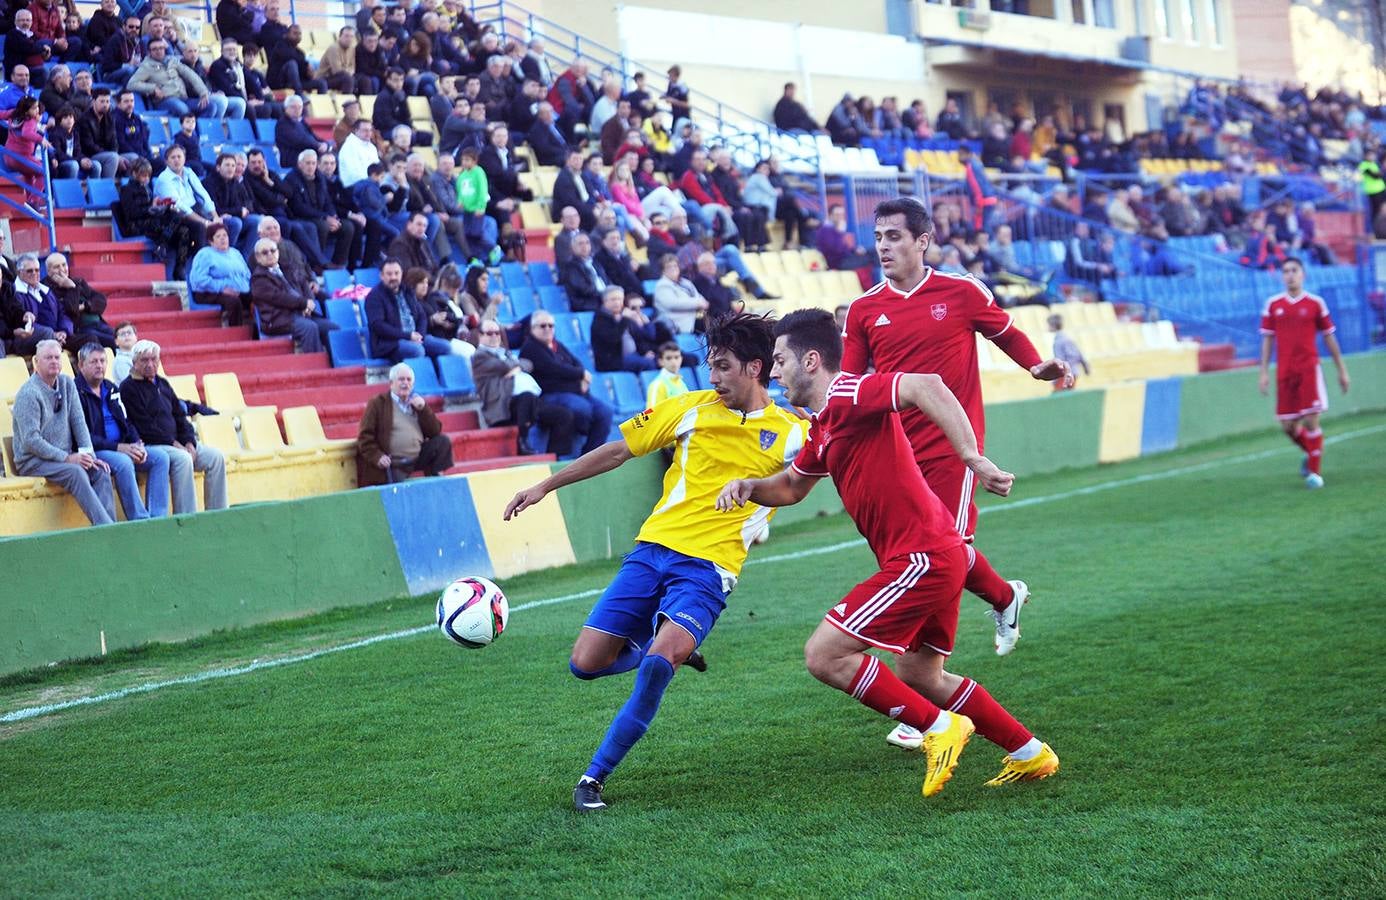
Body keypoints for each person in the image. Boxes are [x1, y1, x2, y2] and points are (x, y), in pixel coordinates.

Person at [717, 308, 1060, 797]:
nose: (773, 372)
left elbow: (927, 386)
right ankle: (1030, 754)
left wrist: (970, 457)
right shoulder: (823, 425)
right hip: (940, 555)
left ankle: (939, 728)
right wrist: (750, 485)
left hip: (921, 558)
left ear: (811, 360)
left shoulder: (847, 392)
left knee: (825, 655)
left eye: (779, 360)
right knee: (921, 674)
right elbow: (793, 486)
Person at [503, 313, 807, 812]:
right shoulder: (688, 408)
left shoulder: (793, 431)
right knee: (584, 664)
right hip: (651, 551)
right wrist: (544, 486)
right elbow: (618, 451)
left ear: (756, 367)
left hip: (709, 570)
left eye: (723, 367)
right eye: (709, 366)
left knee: (655, 669)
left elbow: (811, 477)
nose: (712, 378)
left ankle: (592, 778)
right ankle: (662, 651)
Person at [840, 197, 1073, 751]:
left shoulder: (961, 292)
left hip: (955, 452)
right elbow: (848, 383)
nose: (884, 246)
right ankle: (1002, 597)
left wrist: (1036, 364)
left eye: (895, 236)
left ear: (923, 241)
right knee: (911, 564)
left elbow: (1006, 331)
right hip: (895, 454)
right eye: (878, 237)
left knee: (940, 554)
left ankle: (923, 691)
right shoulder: (863, 310)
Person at [1257, 257, 1351, 489]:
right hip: (1285, 371)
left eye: (1294, 270)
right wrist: (1264, 372)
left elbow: (1329, 337)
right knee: (1288, 426)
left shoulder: (1315, 303)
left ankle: (1315, 475)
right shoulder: (1273, 305)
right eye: (1286, 271)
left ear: (1303, 274)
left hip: (1309, 368)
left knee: (1310, 420)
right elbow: (1267, 341)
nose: (1290, 275)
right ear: (1282, 276)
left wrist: (1342, 370)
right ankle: (1311, 453)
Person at [11, 339, 117, 526]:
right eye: (48, 358)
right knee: (76, 472)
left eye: (57, 358)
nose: (54, 361)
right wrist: (67, 458)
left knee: (99, 470)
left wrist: (89, 455)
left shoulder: (67, 383)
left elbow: (78, 422)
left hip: (61, 458)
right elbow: (30, 440)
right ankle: (107, 528)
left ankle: (109, 527)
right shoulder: (29, 393)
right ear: (36, 362)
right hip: (32, 461)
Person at [119, 339, 228, 513]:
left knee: (216, 457)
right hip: (154, 445)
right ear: (134, 363)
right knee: (183, 459)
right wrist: (175, 444)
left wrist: (189, 442)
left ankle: (218, 513)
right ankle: (187, 517)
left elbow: (179, 416)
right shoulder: (128, 388)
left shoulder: (162, 383)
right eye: (144, 360)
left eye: (154, 359)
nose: (150, 364)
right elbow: (145, 427)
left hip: (177, 443)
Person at [75, 341, 171, 519]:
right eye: (94, 361)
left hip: (122, 446)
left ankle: (158, 517)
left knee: (160, 458)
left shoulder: (111, 388)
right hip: (96, 451)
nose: (99, 366)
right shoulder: (75, 392)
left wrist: (136, 443)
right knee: (124, 462)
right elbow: (83, 436)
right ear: (81, 365)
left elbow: (126, 421)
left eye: (103, 361)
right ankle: (140, 519)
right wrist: (119, 447)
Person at [518, 310, 612, 458]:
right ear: (532, 328)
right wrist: (581, 375)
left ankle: (590, 456)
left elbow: (577, 363)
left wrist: (581, 376)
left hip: (575, 392)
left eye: (551, 325)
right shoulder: (530, 348)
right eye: (543, 326)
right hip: (550, 396)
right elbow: (553, 369)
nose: (548, 329)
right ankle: (581, 436)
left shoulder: (557, 344)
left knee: (605, 413)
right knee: (582, 408)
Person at [355, 362, 454, 486]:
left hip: (416, 458)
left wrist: (423, 409)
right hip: (393, 462)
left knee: (443, 441)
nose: (405, 383)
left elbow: (435, 431)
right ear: (391, 383)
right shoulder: (377, 404)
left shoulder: (416, 404)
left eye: (409, 380)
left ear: (412, 385)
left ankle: (436, 478)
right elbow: (364, 436)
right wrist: (377, 456)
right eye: (401, 379)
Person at [470, 320, 546, 455]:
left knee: (560, 414)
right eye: (489, 333)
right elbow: (502, 366)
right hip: (500, 405)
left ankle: (560, 454)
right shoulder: (479, 356)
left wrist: (516, 368)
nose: (494, 336)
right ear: (480, 336)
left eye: (497, 333)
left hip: (512, 401)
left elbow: (529, 364)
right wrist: (517, 365)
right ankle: (522, 441)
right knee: (527, 397)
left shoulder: (504, 352)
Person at [249, 239, 336, 353]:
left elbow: (304, 284)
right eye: (265, 252)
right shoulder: (258, 279)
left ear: (278, 252)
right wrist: (304, 303)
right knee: (309, 328)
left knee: (331, 328)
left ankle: (335, 365)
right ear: (258, 258)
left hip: (300, 313)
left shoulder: (288, 268)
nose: (270, 254)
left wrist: (309, 303)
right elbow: (280, 298)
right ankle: (314, 364)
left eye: (272, 250)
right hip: (278, 320)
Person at [365, 257, 452, 362]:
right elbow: (378, 326)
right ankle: (418, 378)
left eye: (396, 273)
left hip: (414, 337)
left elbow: (422, 316)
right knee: (417, 350)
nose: (393, 277)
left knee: (446, 347)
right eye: (389, 274)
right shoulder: (374, 296)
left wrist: (420, 335)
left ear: (401, 274)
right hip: (390, 343)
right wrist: (408, 336)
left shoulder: (407, 291)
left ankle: (436, 377)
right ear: (382, 276)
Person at [45, 253, 115, 350]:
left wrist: (84, 306)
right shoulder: (47, 289)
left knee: (121, 336)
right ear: (48, 271)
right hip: (79, 330)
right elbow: (71, 310)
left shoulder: (77, 281)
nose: (62, 270)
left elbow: (100, 300)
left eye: (64, 265)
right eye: (57, 267)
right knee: (114, 342)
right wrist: (72, 288)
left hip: (99, 324)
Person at [189, 221, 251, 326]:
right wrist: (222, 288)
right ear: (211, 241)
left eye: (225, 235)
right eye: (218, 236)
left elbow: (247, 274)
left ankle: (257, 333)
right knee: (233, 302)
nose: (223, 238)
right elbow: (198, 279)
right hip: (208, 292)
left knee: (256, 297)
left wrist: (242, 287)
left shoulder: (235, 253)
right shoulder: (204, 254)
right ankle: (235, 333)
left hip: (237, 290)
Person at [591, 285, 659, 372]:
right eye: (613, 299)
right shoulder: (600, 319)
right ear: (604, 301)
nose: (617, 302)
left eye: (620, 299)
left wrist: (644, 352)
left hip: (633, 355)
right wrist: (624, 320)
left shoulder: (622, 315)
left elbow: (640, 338)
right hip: (612, 361)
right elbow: (613, 338)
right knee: (649, 364)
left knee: (661, 360)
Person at [652, 253, 708, 335]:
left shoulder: (685, 282)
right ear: (663, 271)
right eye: (669, 267)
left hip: (696, 318)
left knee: (716, 317)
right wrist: (698, 303)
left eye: (675, 266)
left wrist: (702, 302)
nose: (673, 268)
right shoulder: (662, 285)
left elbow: (698, 296)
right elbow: (673, 304)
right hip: (679, 323)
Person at [1047, 314, 1089, 390]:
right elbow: (1080, 354)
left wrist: (1055, 379)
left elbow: (1060, 361)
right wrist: (1086, 367)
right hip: (1074, 371)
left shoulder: (1058, 342)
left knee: (1059, 397)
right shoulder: (1068, 338)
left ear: (1053, 326)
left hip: (1064, 374)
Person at [644, 341, 688, 407]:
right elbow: (653, 415)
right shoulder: (657, 385)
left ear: (681, 359)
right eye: (668, 358)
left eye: (676, 357)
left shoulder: (681, 382)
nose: (673, 361)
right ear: (661, 361)